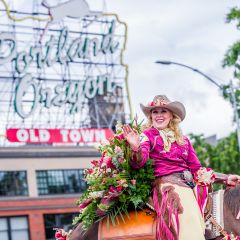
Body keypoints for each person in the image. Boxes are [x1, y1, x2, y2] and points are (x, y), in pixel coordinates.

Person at [122, 95, 240, 240]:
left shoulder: (184, 141)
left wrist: (226, 178)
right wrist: (136, 148)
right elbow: (138, 162)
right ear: (151, 116)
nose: (159, 115)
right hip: (167, 187)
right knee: (187, 219)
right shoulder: (147, 136)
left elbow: (197, 170)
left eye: (163, 111)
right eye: (155, 112)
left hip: (189, 187)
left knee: (204, 217)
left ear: (171, 115)